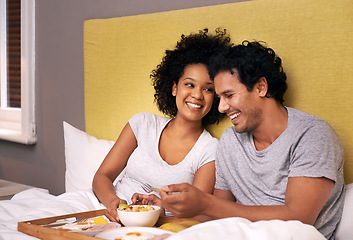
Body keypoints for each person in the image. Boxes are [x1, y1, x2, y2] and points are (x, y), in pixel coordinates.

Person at [159, 40, 345, 240]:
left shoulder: (312, 135)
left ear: (261, 87)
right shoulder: (230, 141)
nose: (221, 107)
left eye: (229, 95)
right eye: (220, 97)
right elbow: (217, 215)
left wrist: (206, 203)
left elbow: (298, 219)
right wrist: (159, 215)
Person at [92, 29, 232, 222]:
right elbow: (102, 176)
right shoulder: (142, 124)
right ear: (174, 88)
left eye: (208, 89)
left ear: (216, 98)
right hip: (106, 212)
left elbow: (198, 211)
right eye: (189, 85)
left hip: (161, 224)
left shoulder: (210, 150)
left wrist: (162, 208)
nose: (198, 95)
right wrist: (113, 202)